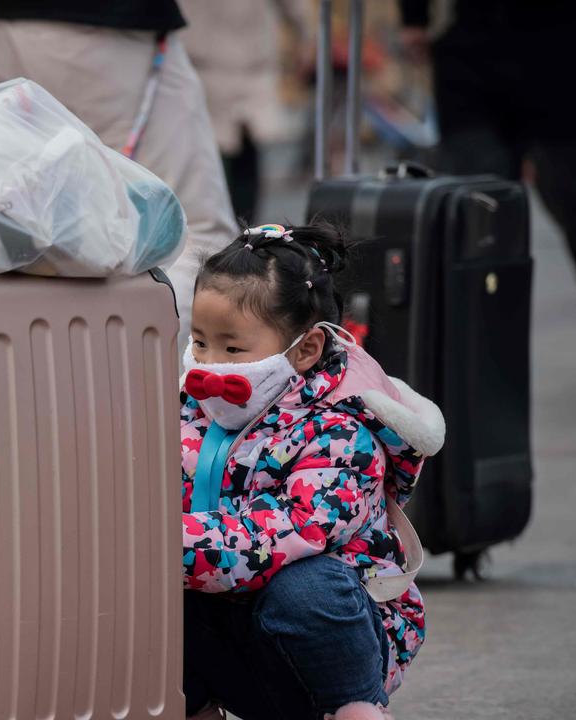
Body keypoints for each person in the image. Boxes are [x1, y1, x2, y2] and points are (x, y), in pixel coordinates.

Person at [180, 223, 444, 719]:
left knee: (307, 588)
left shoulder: (339, 431)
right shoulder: (190, 410)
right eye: (199, 342)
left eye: (233, 349)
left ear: (305, 350)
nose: (211, 365)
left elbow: (295, 531)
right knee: (153, 589)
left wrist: (169, 542)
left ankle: (355, 709)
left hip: (325, 650)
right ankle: (193, 707)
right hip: (236, 638)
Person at [0, 0, 237, 342]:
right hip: (105, 29)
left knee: (15, 233)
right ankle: (140, 378)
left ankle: (38, 380)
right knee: (192, 232)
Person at [399, 0, 576, 376]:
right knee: (475, 199)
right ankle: (486, 337)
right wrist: (413, 16)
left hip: (565, 38)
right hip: (472, 39)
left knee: (574, 189)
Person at [179, 0, 315, 223]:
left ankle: (237, 231)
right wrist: (306, 38)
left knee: (230, 156)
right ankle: (237, 231)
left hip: (239, 67)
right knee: (222, 158)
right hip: (208, 67)